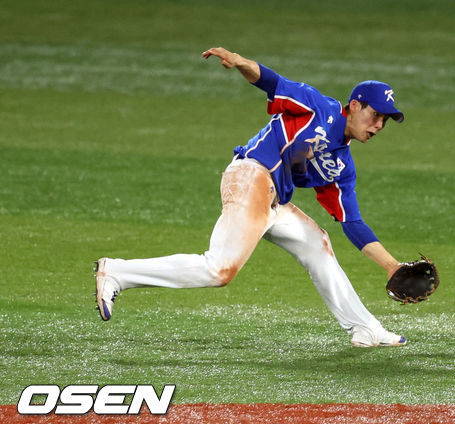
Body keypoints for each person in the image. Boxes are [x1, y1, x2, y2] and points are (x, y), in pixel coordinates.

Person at [95, 47, 407, 347]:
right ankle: (117, 273)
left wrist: (392, 266)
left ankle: (365, 328)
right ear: (354, 105)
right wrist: (240, 61)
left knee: (317, 244)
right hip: (252, 176)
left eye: (385, 121)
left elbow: (352, 223)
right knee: (219, 270)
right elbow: (273, 82)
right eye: (375, 115)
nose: (378, 126)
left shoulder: (341, 167)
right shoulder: (319, 107)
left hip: (273, 201)